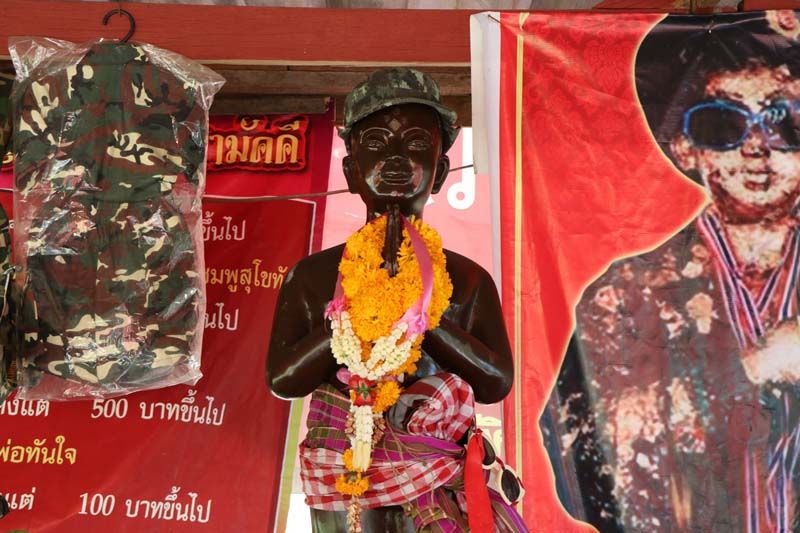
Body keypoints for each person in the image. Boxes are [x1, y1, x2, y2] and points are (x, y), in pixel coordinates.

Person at [548, 11, 800, 532]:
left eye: (783, 123)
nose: (757, 148)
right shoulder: (626, 295)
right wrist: (750, 370)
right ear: (686, 147)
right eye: (723, 125)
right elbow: (585, 465)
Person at [267, 69, 524, 532]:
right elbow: (283, 380)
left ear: (440, 172)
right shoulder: (313, 276)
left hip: (436, 467)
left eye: (416, 144)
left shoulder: (467, 280)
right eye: (377, 143)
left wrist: (422, 315)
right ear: (351, 171)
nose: (396, 160)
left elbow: (496, 383)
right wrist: (350, 316)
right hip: (343, 466)